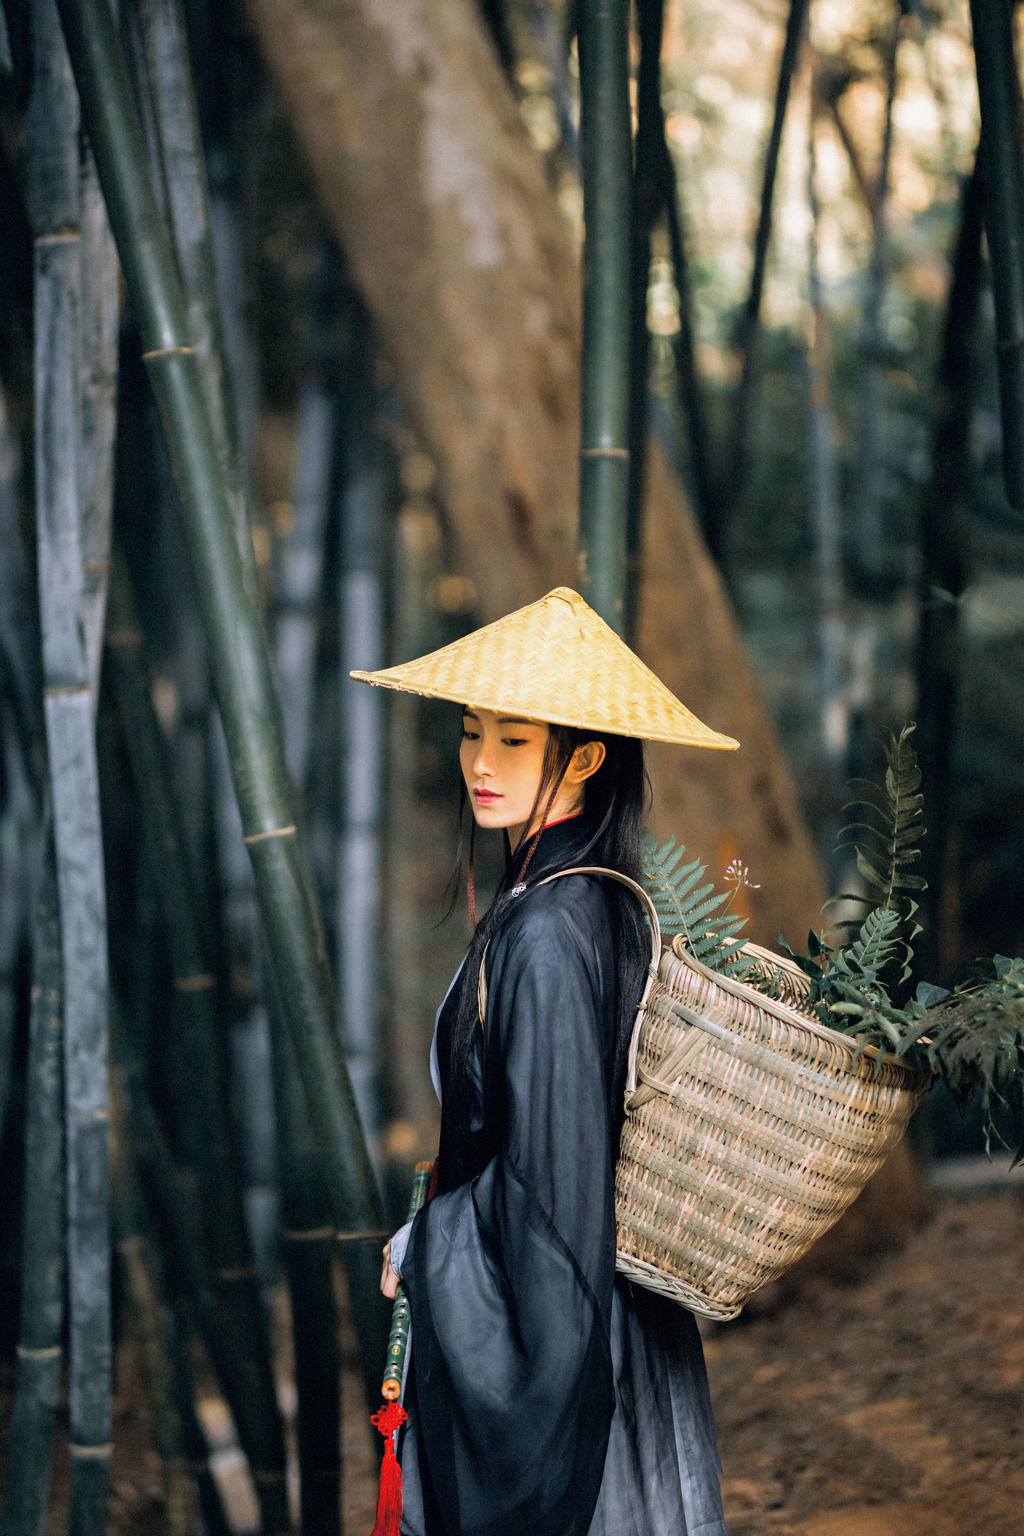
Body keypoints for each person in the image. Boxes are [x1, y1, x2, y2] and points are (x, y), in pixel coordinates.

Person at [351, 587, 738, 1536]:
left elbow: (554, 1188)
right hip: (594, 1315)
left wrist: (431, 1244)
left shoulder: (554, 930)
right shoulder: (570, 897)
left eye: (514, 739)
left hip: (564, 1332)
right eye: (472, 731)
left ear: (586, 756)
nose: (480, 763)